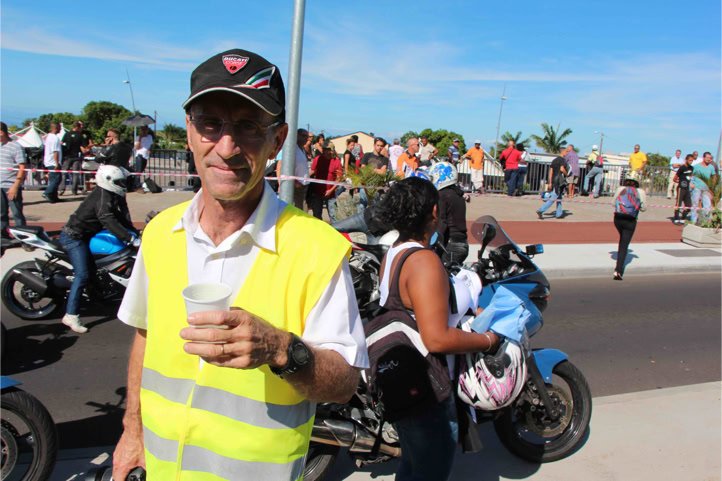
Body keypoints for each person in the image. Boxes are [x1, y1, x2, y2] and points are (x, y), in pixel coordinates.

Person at [112, 49, 367, 481]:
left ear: (278, 140)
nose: (226, 147)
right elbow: (145, 336)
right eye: (211, 124)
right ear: (190, 131)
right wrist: (132, 430)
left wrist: (281, 350)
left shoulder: (317, 248)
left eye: (249, 127)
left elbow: (344, 384)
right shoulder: (159, 233)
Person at [373, 176, 499, 481]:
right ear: (433, 212)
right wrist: (488, 340)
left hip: (403, 383)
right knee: (429, 472)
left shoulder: (394, 253)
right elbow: (437, 338)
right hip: (428, 389)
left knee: (412, 467)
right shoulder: (424, 261)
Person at [59, 165, 139, 333]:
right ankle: (71, 315)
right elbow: (108, 220)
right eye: (119, 182)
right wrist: (130, 238)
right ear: (108, 180)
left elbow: (119, 217)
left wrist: (134, 232)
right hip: (74, 238)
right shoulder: (102, 198)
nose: (122, 184)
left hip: (85, 237)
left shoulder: (110, 195)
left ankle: (97, 296)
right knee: (82, 275)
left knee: (94, 271)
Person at [429, 162, 468, 264]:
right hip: (462, 243)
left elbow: (442, 222)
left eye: (433, 177)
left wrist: (431, 244)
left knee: (439, 272)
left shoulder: (442, 195)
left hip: (450, 245)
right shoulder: (457, 194)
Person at [612, 177, 647, 280]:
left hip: (618, 218)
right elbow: (644, 208)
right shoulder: (640, 192)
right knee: (624, 244)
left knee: (622, 238)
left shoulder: (620, 189)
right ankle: (618, 271)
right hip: (630, 220)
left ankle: (619, 265)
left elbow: (613, 203)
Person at [0, 122, 27, 235]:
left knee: (17, 213)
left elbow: (22, 167)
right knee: (1, 214)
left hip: (11, 185)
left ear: (1, 132)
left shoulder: (16, 146)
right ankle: (3, 236)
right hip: (0, 185)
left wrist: (15, 186)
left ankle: (23, 236)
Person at [275, 128, 310, 210]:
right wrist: (281, 184)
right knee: (294, 211)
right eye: (304, 136)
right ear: (297, 136)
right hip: (294, 187)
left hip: (303, 187)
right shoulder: (290, 149)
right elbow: (279, 166)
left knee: (302, 210)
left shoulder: (302, 150)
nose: (306, 139)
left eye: (307, 137)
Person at [310, 141, 343, 221]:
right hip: (317, 192)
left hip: (330, 194)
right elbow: (312, 172)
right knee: (316, 215)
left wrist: (331, 190)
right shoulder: (317, 159)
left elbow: (339, 179)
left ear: (331, 150)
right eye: (323, 149)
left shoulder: (336, 162)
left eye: (326, 149)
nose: (324, 151)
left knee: (333, 216)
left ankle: (335, 228)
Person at [59, 121, 91, 196]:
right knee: (75, 174)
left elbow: (61, 143)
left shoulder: (67, 134)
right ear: (78, 127)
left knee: (64, 173)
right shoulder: (80, 135)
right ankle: (74, 190)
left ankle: (61, 189)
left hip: (67, 156)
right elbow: (84, 148)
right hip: (76, 156)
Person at [689, 152, 718, 224]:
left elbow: (714, 176)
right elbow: (691, 175)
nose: (709, 159)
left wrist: (712, 186)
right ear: (703, 158)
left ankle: (706, 221)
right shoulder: (696, 166)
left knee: (707, 205)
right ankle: (693, 220)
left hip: (706, 189)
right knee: (695, 204)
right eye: (707, 158)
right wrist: (691, 183)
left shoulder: (711, 167)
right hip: (697, 187)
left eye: (710, 158)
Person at [42, 122, 63, 203]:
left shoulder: (48, 137)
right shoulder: (55, 138)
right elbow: (55, 151)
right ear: (56, 128)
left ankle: (54, 196)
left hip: (48, 161)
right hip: (53, 162)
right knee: (57, 178)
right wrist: (56, 163)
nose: (60, 129)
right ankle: (47, 192)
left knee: (52, 179)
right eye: (60, 128)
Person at [673, 154, 695, 225]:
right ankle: (676, 218)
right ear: (686, 160)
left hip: (687, 188)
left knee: (689, 205)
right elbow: (675, 178)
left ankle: (683, 217)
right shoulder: (682, 168)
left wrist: (690, 183)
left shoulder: (691, 168)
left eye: (692, 160)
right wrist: (679, 181)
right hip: (681, 188)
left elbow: (691, 177)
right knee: (678, 203)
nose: (691, 162)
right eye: (690, 160)